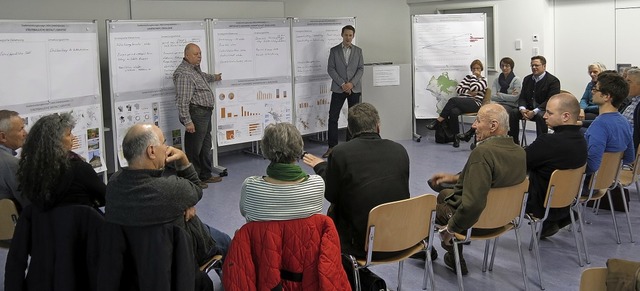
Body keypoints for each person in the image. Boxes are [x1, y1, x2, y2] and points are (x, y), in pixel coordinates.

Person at [106, 123, 231, 265]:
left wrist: (181, 205)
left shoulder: (114, 183)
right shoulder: (171, 189)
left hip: (133, 261)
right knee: (226, 242)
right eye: (164, 143)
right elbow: (196, 188)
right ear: (151, 151)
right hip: (180, 258)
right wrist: (183, 159)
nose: (167, 148)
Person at [303, 102, 410, 259]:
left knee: (333, 210)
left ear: (350, 130)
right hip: (401, 239)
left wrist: (321, 168)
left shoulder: (341, 153)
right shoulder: (399, 150)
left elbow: (332, 196)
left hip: (361, 245)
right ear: (378, 126)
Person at [430, 104, 526, 275]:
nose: (473, 125)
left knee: (425, 209)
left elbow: (473, 204)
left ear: (493, 125)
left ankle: (426, 252)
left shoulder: (482, 153)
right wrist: (455, 178)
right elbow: (492, 178)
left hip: (478, 221)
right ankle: (454, 256)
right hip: (503, 218)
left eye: (478, 121)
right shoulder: (519, 152)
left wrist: (451, 229)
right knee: (445, 194)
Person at [524, 93, 587, 238]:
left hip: (538, 204)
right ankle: (559, 217)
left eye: (549, 113)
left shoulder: (547, 142)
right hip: (565, 200)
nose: (544, 116)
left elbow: (521, 163)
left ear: (565, 116)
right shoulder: (582, 141)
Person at [17, 113, 105, 212]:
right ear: (55, 141)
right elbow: (105, 197)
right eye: (68, 134)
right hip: (79, 224)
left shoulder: (31, 170)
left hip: (43, 226)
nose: (73, 137)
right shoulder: (79, 169)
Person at [240, 122, 324, 221]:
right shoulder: (317, 184)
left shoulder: (250, 186)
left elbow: (244, 212)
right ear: (299, 148)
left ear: (265, 149)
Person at [174, 43, 223, 188]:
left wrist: (214, 77)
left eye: (200, 53)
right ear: (187, 55)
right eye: (196, 54)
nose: (199, 56)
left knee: (205, 146)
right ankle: (192, 180)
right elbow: (182, 101)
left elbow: (203, 77)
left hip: (205, 113)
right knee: (194, 148)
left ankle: (205, 175)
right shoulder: (184, 73)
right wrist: (187, 121)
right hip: (196, 114)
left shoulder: (194, 69)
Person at [425, 59, 488, 148]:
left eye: (478, 68)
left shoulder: (484, 80)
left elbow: (474, 88)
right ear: (471, 69)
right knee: (453, 112)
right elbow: (458, 89)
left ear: (481, 69)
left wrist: (474, 77)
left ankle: (438, 121)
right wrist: (468, 92)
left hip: (475, 103)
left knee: (453, 100)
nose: (475, 70)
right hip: (463, 102)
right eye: (473, 69)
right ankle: (456, 137)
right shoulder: (467, 78)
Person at [324, 25, 364, 158]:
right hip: (338, 88)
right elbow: (331, 69)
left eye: (350, 35)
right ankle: (332, 147)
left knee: (353, 118)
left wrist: (351, 84)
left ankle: (350, 146)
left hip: (354, 88)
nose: (348, 37)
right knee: (333, 117)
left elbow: (360, 69)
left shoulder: (358, 51)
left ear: (353, 36)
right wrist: (342, 84)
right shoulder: (334, 51)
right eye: (346, 35)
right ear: (342, 35)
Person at [585, 72, 635, 175]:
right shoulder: (625, 121)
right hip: (610, 179)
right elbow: (630, 158)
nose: (592, 91)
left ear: (606, 96)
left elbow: (592, 166)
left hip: (590, 184)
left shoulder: (599, 125)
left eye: (596, 89)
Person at [508, 55, 561, 144]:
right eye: (532, 65)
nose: (534, 67)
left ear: (544, 66)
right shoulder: (527, 79)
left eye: (536, 65)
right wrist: (522, 109)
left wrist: (534, 111)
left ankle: (541, 144)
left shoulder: (553, 81)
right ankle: (514, 143)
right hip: (528, 109)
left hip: (543, 110)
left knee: (541, 116)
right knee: (513, 112)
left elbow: (550, 100)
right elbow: (522, 97)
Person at [0, 110, 29, 209]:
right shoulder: (11, 164)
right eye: (21, 129)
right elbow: (29, 204)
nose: (25, 133)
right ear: (3, 137)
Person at [579, 62, 607, 126]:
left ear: (602, 72)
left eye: (595, 72)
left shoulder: (606, 85)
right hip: (588, 110)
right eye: (590, 72)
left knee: (587, 116)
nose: (592, 74)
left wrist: (585, 108)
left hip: (599, 112)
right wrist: (581, 109)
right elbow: (584, 99)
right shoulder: (590, 84)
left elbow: (602, 105)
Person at [623, 68, 640, 148]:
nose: (626, 84)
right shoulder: (632, 102)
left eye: (629, 81)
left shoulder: (638, 106)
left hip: (626, 149)